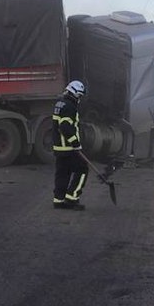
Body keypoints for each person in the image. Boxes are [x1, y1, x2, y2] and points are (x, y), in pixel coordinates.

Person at [52, 80, 88, 210]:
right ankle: (72, 197)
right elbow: (65, 127)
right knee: (83, 169)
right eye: (79, 96)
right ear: (74, 93)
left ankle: (58, 200)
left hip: (59, 147)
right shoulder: (70, 107)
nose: (79, 99)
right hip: (68, 148)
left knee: (63, 173)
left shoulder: (60, 103)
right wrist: (75, 143)